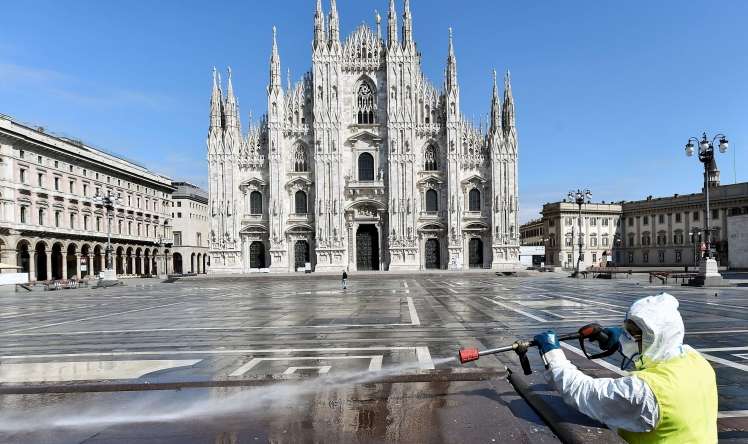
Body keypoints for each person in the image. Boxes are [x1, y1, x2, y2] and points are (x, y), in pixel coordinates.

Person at [534, 292, 717, 443]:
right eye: (627, 329)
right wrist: (621, 335)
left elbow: (584, 392)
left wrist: (553, 354)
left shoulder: (646, 392)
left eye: (634, 334)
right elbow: (658, 347)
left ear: (657, 339)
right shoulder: (696, 360)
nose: (628, 337)